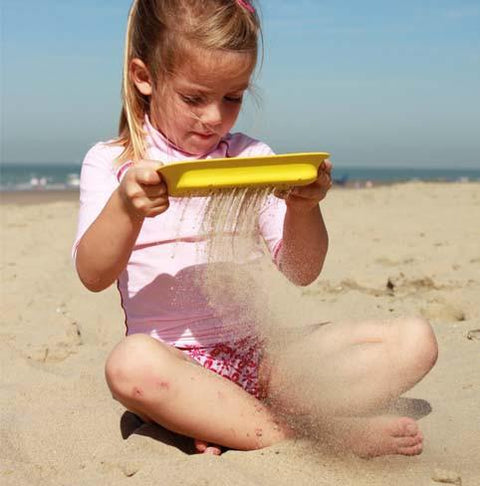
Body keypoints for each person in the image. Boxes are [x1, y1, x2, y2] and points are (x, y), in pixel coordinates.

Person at [73, 0, 438, 457]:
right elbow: (93, 274)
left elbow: (301, 271)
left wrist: (305, 209)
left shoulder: (252, 157)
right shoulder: (112, 163)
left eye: (233, 97)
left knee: (416, 340)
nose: (214, 117)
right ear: (144, 77)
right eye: (194, 98)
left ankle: (240, 423)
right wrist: (126, 208)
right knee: (129, 366)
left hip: (264, 360)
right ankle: (307, 436)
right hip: (181, 367)